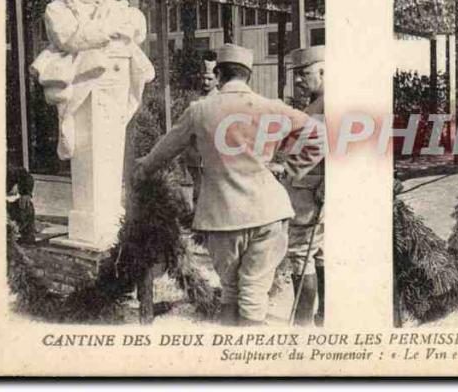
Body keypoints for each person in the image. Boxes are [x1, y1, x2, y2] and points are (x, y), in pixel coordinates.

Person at [134, 44, 324, 326]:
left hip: (222, 217)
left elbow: (164, 150)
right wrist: (290, 169)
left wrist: (142, 168)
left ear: (219, 74)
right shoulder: (272, 107)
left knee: (231, 292)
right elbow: (319, 137)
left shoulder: (200, 111)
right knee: (254, 296)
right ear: (248, 76)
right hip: (269, 213)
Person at [29, 0, 155, 160]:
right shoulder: (56, 9)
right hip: (83, 72)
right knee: (88, 143)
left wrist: (131, 24)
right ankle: (66, 119)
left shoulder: (111, 6)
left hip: (116, 74)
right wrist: (107, 30)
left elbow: (135, 22)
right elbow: (69, 38)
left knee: (110, 142)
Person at [283, 45, 326, 326]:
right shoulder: (317, 104)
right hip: (311, 188)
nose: (298, 80)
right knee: (321, 251)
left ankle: (301, 324)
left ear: (323, 71)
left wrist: (328, 188)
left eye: (304, 73)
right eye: (296, 74)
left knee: (301, 253)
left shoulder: (326, 106)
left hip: (310, 191)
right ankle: (323, 315)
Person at [183, 52, 219, 208]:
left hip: (212, 155)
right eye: (203, 78)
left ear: (217, 80)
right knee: (197, 192)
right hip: (195, 155)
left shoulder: (220, 99)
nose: (205, 82)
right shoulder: (194, 100)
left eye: (209, 79)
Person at [6, 166, 36, 244]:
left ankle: (27, 237)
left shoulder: (10, 168)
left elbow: (26, 176)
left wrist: (26, 193)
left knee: (26, 205)